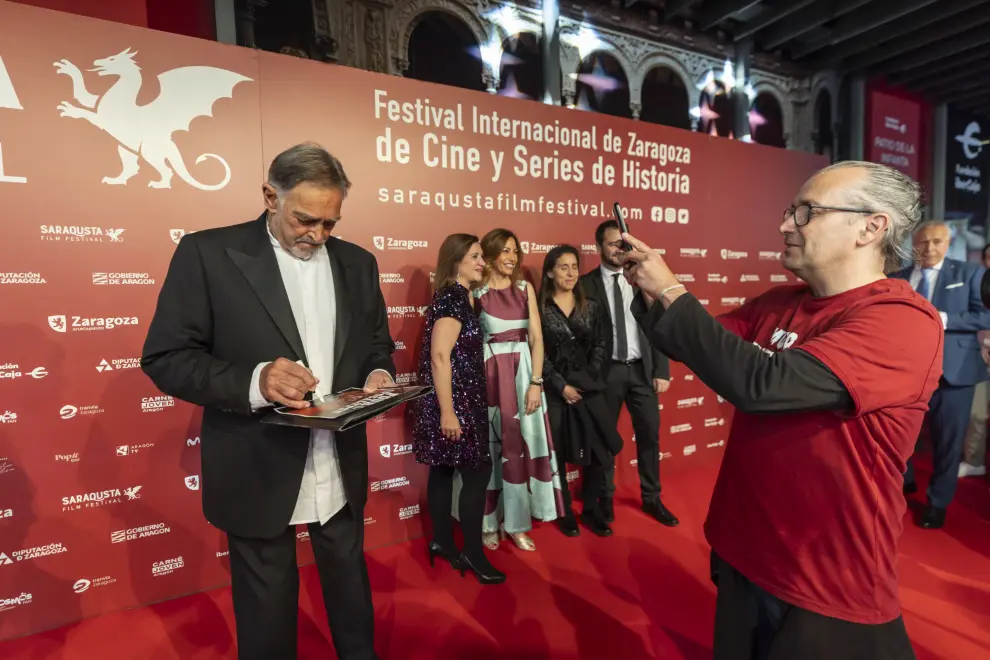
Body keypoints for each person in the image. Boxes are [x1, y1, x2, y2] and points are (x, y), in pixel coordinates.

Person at [618, 161, 942, 659]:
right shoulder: (780, 301)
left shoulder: (900, 320)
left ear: (871, 226)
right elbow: (703, 345)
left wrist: (671, 289)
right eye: (791, 210)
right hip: (744, 553)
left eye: (807, 212)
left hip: (825, 580)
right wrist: (648, 290)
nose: (786, 224)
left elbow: (762, 384)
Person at [141, 143, 394, 660]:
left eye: (330, 222)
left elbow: (375, 342)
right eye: (306, 219)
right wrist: (255, 382)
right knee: (265, 611)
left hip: (340, 461)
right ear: (269, 196)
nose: (318, 235)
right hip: (256, 462)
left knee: (351, 594)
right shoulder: (207, 254)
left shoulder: (358, 262)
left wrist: (378, 373)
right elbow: (166, 356)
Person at [462, 228, 564, 552]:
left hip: (523, 381)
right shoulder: (474, 292)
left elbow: (536, 338)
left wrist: (535, 384)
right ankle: (489, 522)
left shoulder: (524, 289)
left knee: (519, 451)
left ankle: (518, 524)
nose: (512, 257)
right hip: (489, 380)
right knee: (492, 454)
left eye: (515, 251)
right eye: (505, 250)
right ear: (490, 255)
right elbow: (465, 344)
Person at [412, 233, 505, 585]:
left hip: (459, 400)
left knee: (443, 471)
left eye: (482, 257)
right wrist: (449, 412)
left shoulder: (463, 297)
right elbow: (439, 356)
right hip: (456, 403)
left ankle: (442, 541)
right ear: (455, 261)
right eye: (476, 257)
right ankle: (472, 553)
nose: (483, 263)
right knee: (477, 473)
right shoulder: (452, 296)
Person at [892, 222, 990, 528]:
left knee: (948, 442)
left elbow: (985, 314)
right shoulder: (897, 278)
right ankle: (904, 478)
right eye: (923, 243)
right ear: (914, 245)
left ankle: (938, 501)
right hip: (906, 374)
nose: (930, 249)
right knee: (899, 434)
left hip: (954, 373)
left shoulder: (971, 274)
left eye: (937, 242)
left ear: (948, 244)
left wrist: (944, 317)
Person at [582, 220, 678, 527]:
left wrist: (661, 369)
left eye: (623, 244)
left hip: (641, 372)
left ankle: (652, 498)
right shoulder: (586, 285)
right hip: (605, 374)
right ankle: (604, 498)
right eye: (613, 244)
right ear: (599, 248)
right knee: (604, 440)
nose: (619, 250)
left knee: (649, 436)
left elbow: (659, 322)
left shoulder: (643, 277)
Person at [539, 245, 624, 537]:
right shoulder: (539, 309)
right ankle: (564, 512)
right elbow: (539, 354)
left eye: (574, 266)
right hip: (557, 392)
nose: (571, 272)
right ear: (549, 272)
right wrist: (561, 385)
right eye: (563, 267)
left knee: (601, 451)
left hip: (590, 389)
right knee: (559, 454)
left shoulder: (592, 305)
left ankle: (590, 509)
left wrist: (586, 381)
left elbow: (601, 345)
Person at [959, 242, 990, 479]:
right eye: (988, 257)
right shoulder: (975, 285)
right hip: (979, 358)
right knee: (976, 414)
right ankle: (974, 461)